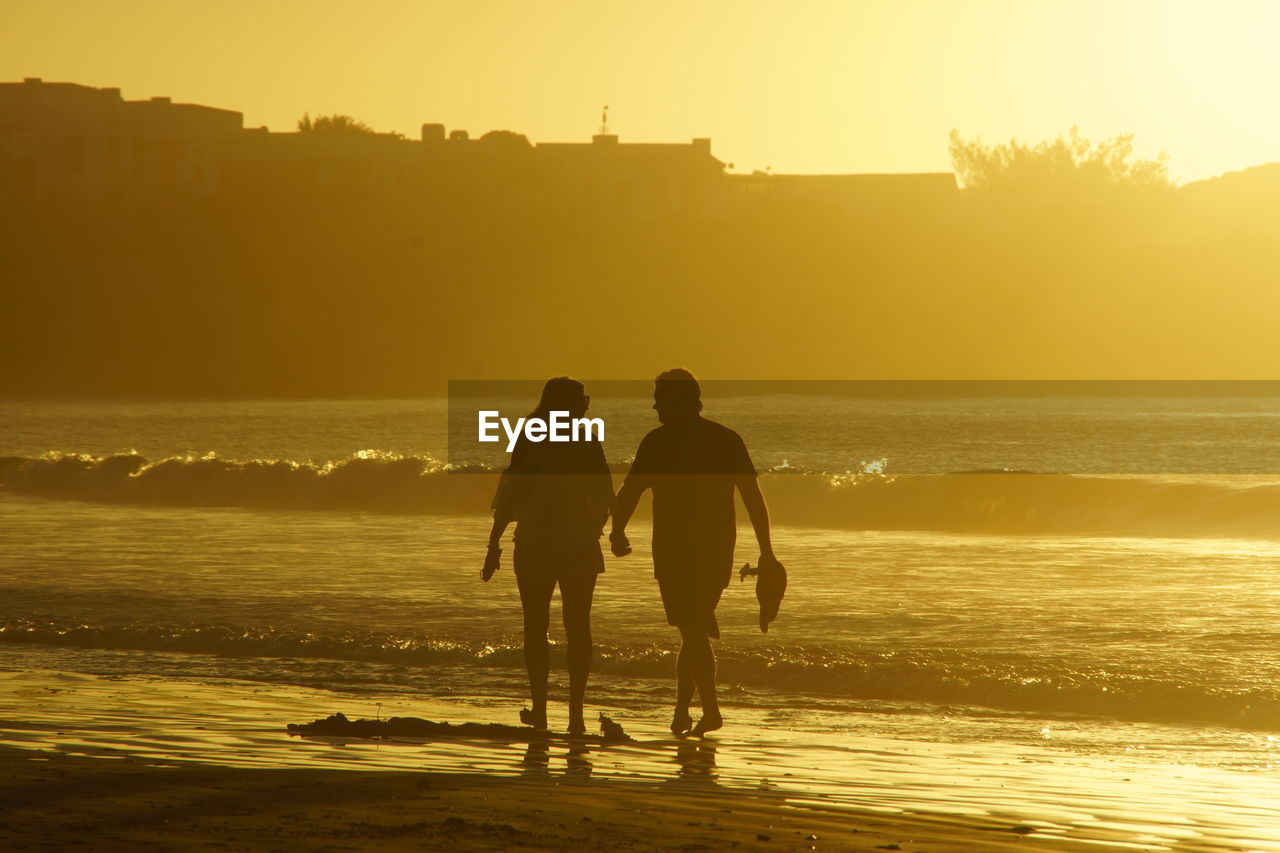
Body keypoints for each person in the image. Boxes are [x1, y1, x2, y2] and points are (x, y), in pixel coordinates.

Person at [610, 368, 783, 737]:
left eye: (661, 398)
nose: (655, 405)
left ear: (685, 401)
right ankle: (680, 713)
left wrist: (618, 531)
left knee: (691, 627)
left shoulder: (657, 442)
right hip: (716, 549)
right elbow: (753, 498)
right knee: (694, 629)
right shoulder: (725, 440)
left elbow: (630, 493)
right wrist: (766, 551)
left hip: (676, 551)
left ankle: (712, 711)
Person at [483, 377, 614, 735]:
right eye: (582, 400)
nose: (586, 405)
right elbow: (605, 492)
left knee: (536, 626)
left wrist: (493, 543)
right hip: (578, 544)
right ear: (570, 404)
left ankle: (541, 710)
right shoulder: (587, 439)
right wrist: (602, 530)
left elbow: (511, 490)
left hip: (535, 543)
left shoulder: (530, 433)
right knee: (578, 627)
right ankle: (575, 714)